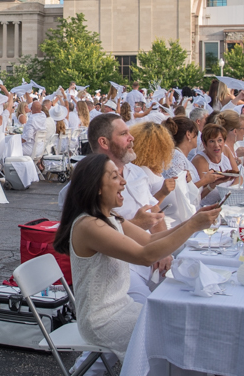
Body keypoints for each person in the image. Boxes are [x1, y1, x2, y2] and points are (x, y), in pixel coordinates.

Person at [52, 154, 220, 365]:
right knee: (175, 338)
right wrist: (193, 226)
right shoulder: (89, 226)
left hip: (123, 307)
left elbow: (149, 239)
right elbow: (146, 256)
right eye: (115, 177)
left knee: (178, 326)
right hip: (102, 320)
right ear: (97, 187)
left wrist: (193, 221)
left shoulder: (110, 217)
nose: (123, 181)